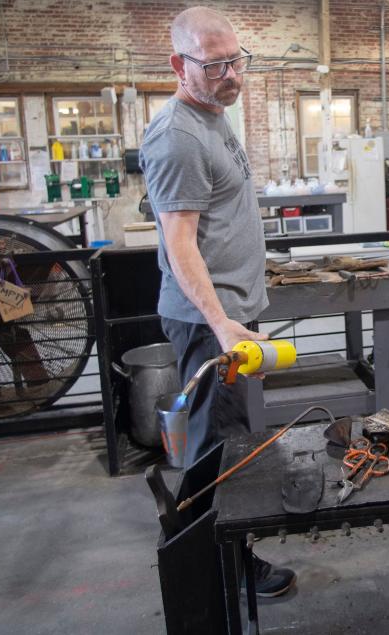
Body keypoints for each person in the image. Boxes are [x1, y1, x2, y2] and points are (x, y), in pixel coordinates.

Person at [139, 6, 294, 598]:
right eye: (215, 65)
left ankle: (219, 550)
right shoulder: (178, 136)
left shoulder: (213, 113)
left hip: (228, 316)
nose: (232, 75)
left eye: (237, 61)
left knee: (227, 437)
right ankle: (218, 568)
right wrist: (224, 322)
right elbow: (179, 244)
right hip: (211, 324)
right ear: (180, 65)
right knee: (214, 447)